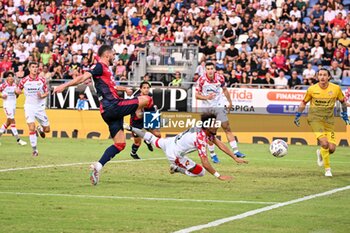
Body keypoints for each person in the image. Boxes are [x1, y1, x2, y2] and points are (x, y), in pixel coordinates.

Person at [53, 45, 153, 185]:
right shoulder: (99, 66)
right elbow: (83, 77)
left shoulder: (106, 71)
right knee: (147, 99)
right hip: (113, 106)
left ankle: (97, 167)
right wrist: (63, 86)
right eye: (113, 54)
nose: (114, 57)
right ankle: (148, 134)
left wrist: (124, 89)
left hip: (108, 112)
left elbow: (111, 87)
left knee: (120, 144)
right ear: (107, 55)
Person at [124, 113, 248, 180]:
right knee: (201, 173)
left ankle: (128, 127)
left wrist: (234, 157)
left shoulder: (204, 129)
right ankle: (177, 168)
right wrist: (219, 176)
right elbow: (205, 162)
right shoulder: (200, 138)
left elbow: (219, 143)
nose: (216, 126)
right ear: (208, 126)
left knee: (151, 138)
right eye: (214, 125)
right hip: (175, 155)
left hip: (170, 142)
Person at [294, 68, 349, 177]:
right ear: (317, 77)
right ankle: (327, 169)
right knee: (324, 143)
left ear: (329, 77)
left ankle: (320, 153)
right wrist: (298, 115)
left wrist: (344, 114)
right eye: (320, 75)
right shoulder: (312, 89)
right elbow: (304, 102)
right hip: (315, 119)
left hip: (329, 121)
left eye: (324, 75)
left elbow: (343, 102)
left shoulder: (336, 89)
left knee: (332, 148)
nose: (322, 77)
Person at [195, 62, 246, 164]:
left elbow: (225, 90)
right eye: (208, 69)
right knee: (211, 132)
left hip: (219, 105)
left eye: (211, 68)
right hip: (207, 108)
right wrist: (206, 97)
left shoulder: (220, 78)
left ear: (214, 70)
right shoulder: (201, 80)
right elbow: (196, 95)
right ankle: (213, 154)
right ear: (205, 70)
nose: (210, 70)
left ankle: (236, 151)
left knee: (226, 126)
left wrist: (230, 102)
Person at [16, 62, 50, 156]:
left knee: (47, 130)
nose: (35, 69)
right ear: (29, 69)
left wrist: (42, 95)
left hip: (39, 108)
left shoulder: (42, 80)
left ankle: (40, 128)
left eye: (36, 67)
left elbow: (47, 92)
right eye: (33, 67)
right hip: (29, 107)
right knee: (31, 127)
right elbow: (18, 90)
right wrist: (17, 92)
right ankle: (35, 150)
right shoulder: (24, 80)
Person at [129, 81, 161, 159]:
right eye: (144, 88)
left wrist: (155, 114)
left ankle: (148, 141)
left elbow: (151, 108)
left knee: (158, 135)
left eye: (148, 88)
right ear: (140, 89)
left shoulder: (150, 96)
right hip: (136, 121)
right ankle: (133, 153)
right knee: (137, 143)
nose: (146, 89)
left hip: (147, 117)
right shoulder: (136, 98)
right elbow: (138, 115)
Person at [0, 72, 27, 146]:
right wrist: (2, 96)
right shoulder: (3, 85)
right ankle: (18, 140)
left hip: (13, 106)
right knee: (12, 121)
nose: (11, 78)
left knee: (7, 123)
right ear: (7, 78)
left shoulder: (15, 85)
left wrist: (17, 94)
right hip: (7, 105)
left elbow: (16, 96)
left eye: (12, 76)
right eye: (9, 76)